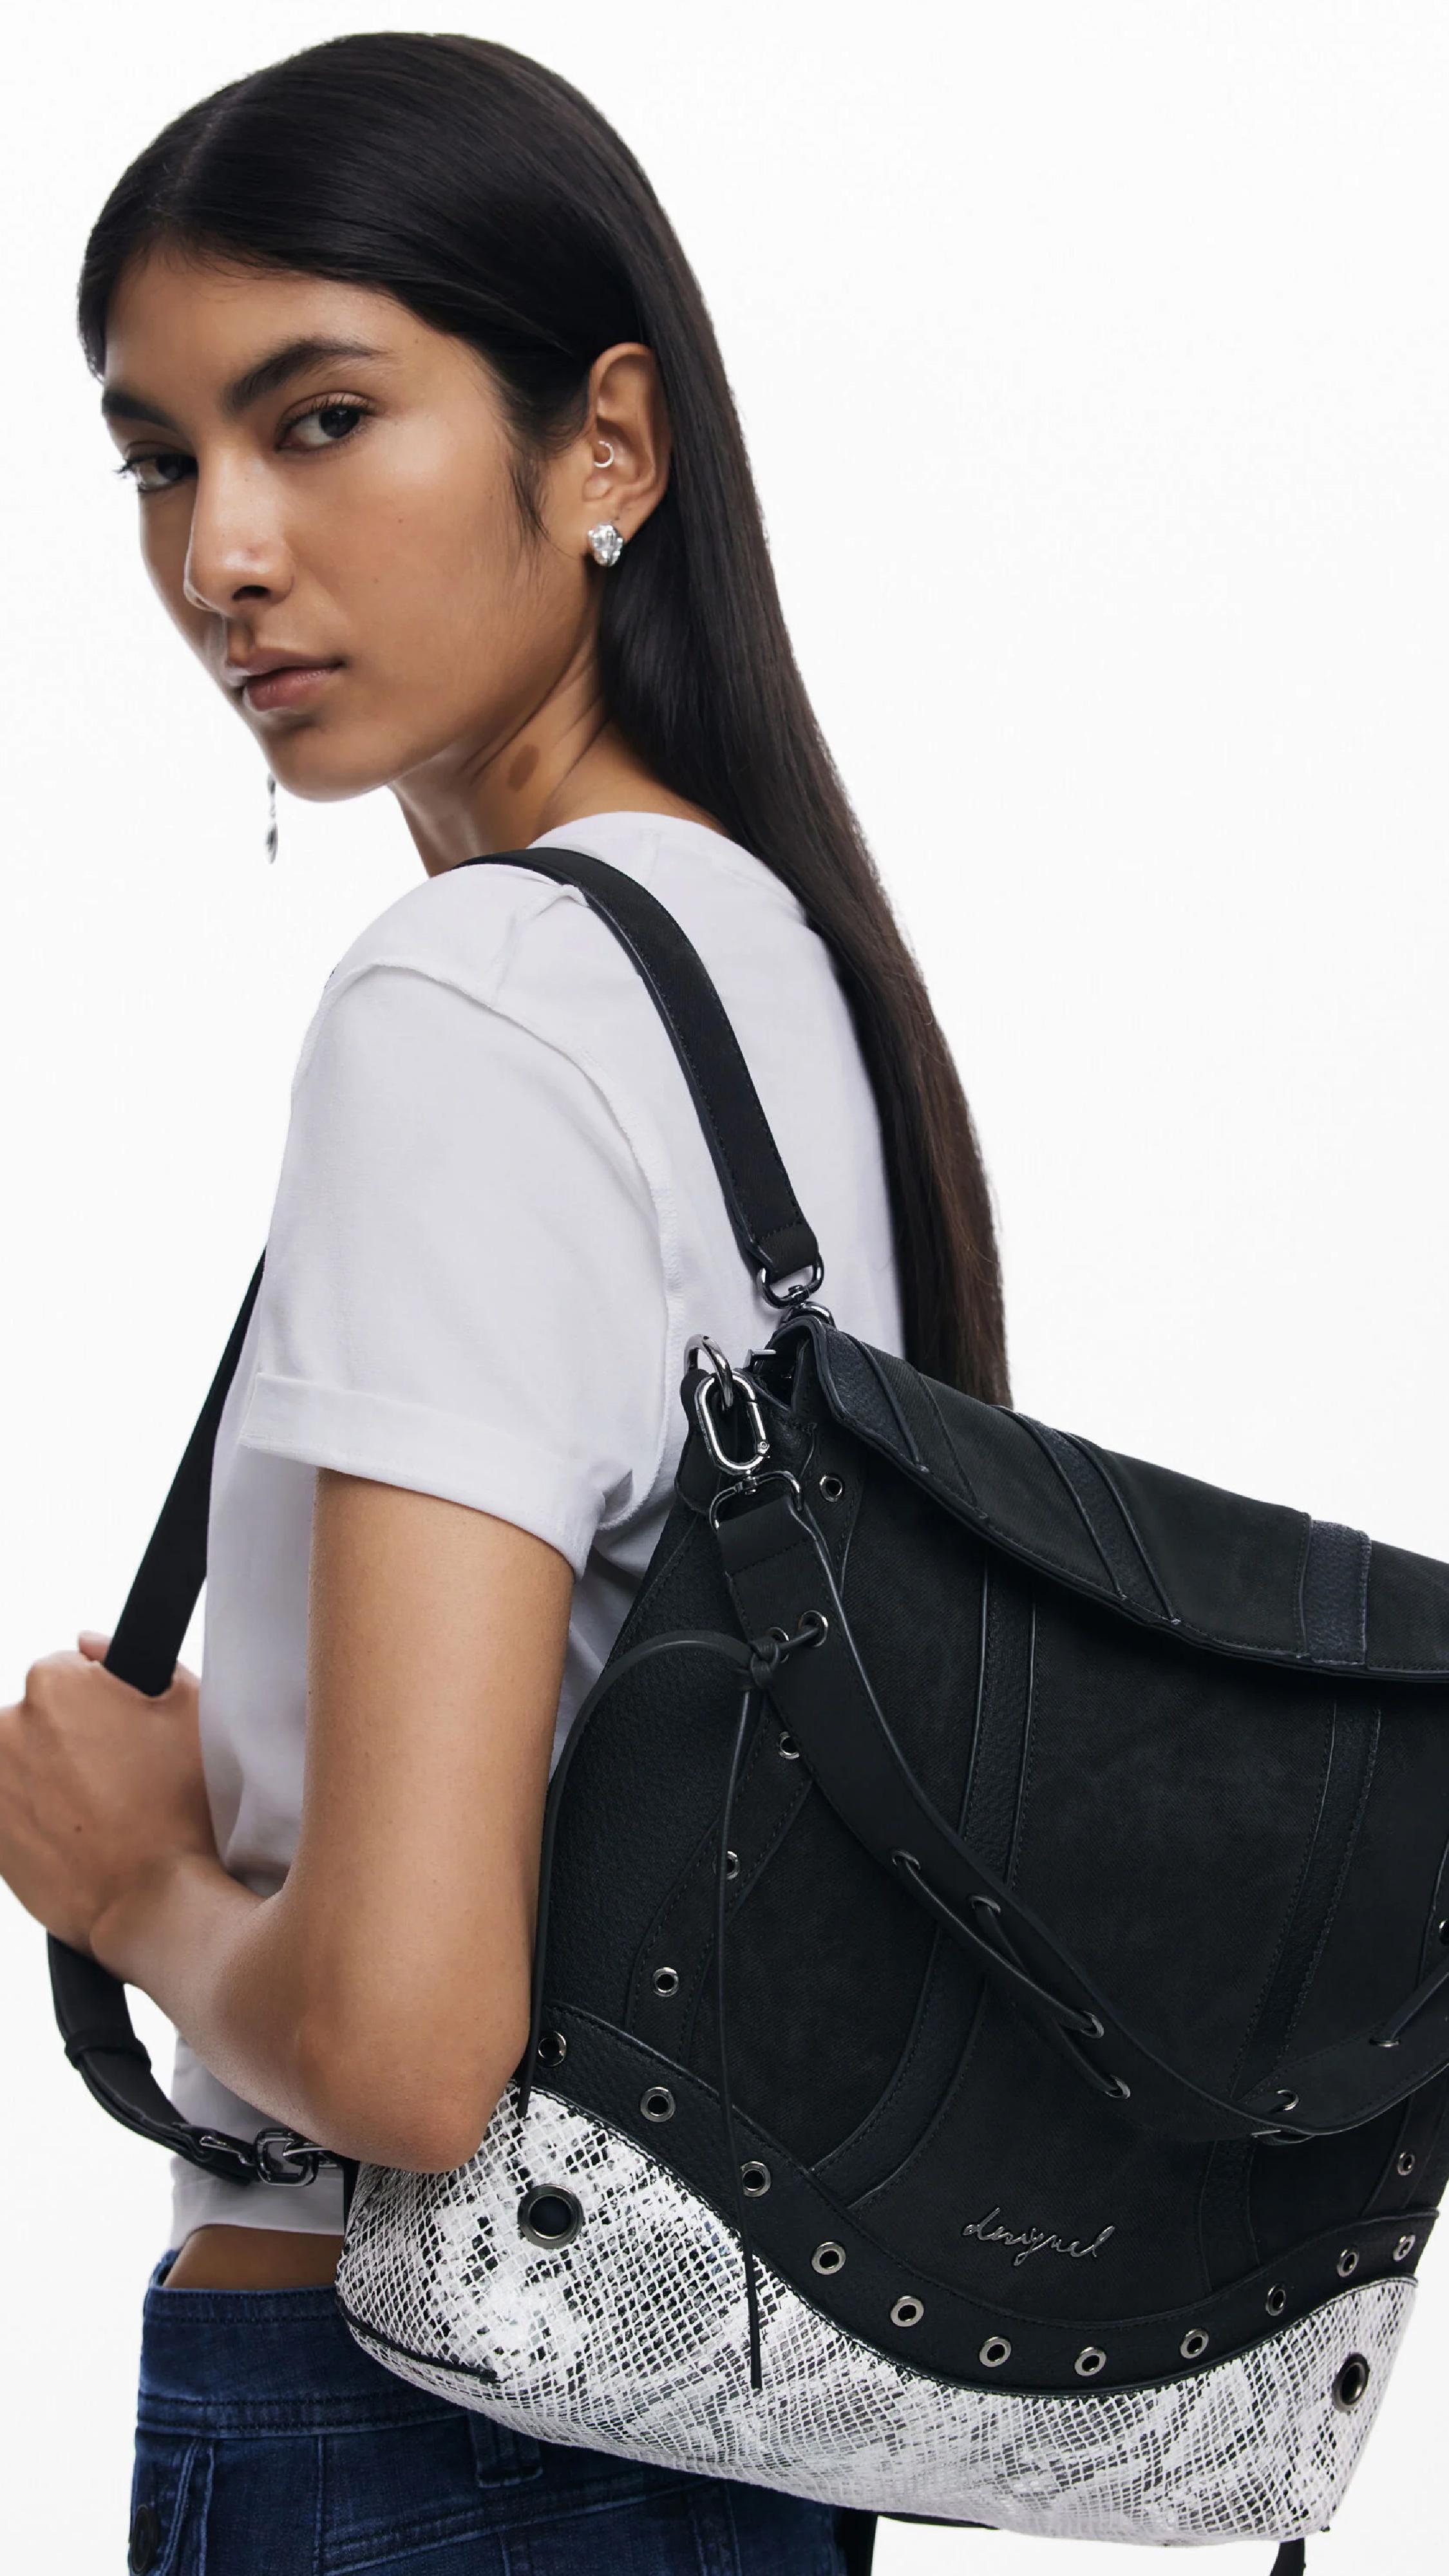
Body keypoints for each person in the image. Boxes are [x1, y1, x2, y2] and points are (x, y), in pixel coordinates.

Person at [0, 32, 1007, 2574]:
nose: (223, 552)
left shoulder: (465, 1003)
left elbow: (407, 2047)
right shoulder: (769, 971)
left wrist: (132, 1882)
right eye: (157, 459)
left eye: (320, 419)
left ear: (606, 446)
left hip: (412, 2444)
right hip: (720, 2439)